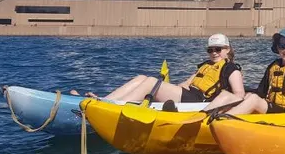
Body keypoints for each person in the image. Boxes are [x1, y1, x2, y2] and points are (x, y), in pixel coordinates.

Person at [82, 34, 245, 105]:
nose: (214, 53)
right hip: (189, 95)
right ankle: (105, 101)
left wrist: (221, 104)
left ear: (227, 49)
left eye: (218, 49)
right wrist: (167, 90)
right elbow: (186, 84)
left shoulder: (231, 69)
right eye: (210, 50)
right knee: (142, 79)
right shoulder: (205, 66)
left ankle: (113, 107)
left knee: (152, 82)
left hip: (200, 101)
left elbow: (239, 94)